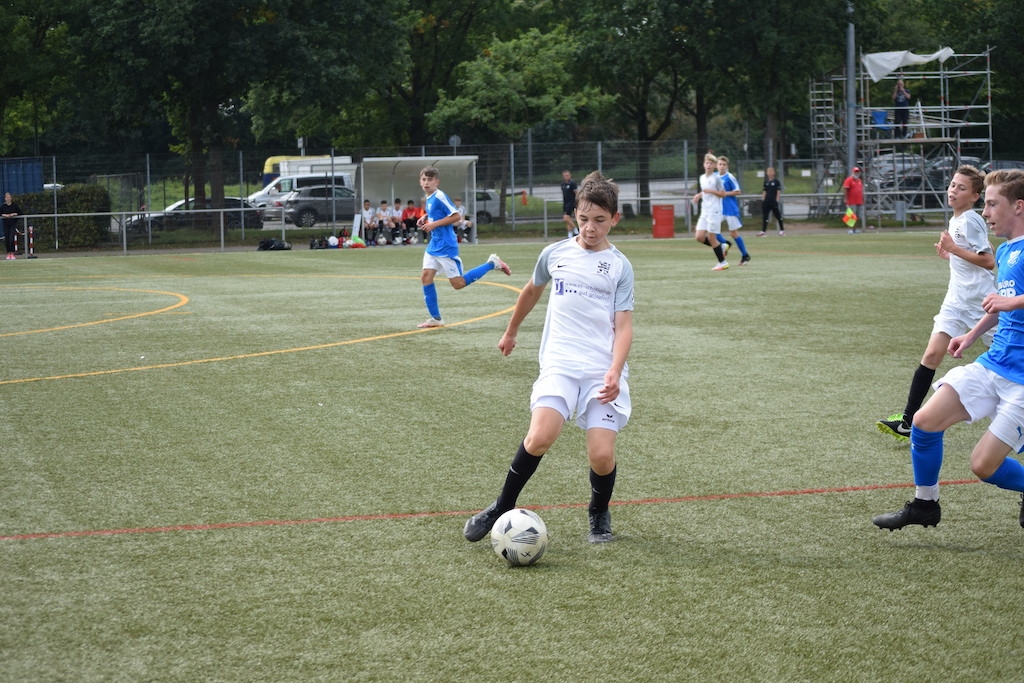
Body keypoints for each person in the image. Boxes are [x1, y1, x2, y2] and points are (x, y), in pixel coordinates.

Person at [462, 170, 635, 544]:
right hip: (560, 363)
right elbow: (530, 291)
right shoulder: (554, 253)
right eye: (584, 219)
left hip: (601, 369)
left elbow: (624, 326)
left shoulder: (620, 266)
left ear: (615, 219)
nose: (590, 228)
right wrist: (511, 330)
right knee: (540, 436)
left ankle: (598, 513)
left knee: (601, 455)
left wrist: (615, 370)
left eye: (600, 220)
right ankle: (501, 506)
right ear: (574, 215)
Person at [872, 169, 1024, 531]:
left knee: (982, 466)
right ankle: (925, 505)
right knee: (924, 423)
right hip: (994, 363)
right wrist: (971, 335)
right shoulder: (1007, 250)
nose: (985, 213)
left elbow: (1009, 302)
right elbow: (1000, 304)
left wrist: (1012, 302)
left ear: (1018, 207)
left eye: (992, 204)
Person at [877, 166, 995, 442]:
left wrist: (954, 249)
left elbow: (989, 260)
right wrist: (952, 255)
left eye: (961, 188)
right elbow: (971, 256)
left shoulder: (970, 220)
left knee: (1011, 356)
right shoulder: (956, 219)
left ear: (975, 196)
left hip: (981, 304)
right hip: (956, 301)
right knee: (931, 355)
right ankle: (908, 421)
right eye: (952, 185)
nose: (953, 191)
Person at [416, 165, 512, 329]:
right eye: (424, 179)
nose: (426, 182)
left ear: (437, 182)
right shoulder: (430, 197)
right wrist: (426, 217)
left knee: (458, 284)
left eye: (430, 180)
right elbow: (439, 214)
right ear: (420, 181)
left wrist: (433, 225)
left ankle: (492, 263)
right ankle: (436, 319)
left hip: (445, 245)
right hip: (434, 244)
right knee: (426, 277)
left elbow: (456, 216)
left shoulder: (439, 196)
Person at [692, 153, 729, 270]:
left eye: (711, 163)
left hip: (714, 211)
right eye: (707, 163)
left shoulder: (716, 179)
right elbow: (705, 191)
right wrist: (699, 195)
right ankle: (721, 246)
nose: (708, 165)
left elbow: (723, 194)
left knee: (711, 237)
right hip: (705, 211)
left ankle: (723, 262)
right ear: (704, 164)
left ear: (714, 166)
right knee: (699, 237)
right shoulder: (702, 178)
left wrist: (712, 191)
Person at [717, 156, 750, 265]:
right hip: (719, 208)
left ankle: (745, 255)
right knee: (711, 229)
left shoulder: (729, 177)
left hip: (730, 209)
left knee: (734, 233)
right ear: (717, 165)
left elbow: (738, 191)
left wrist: (725, 193)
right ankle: (725, 243)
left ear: (727, 166)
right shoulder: (715, 176)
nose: (722, 166)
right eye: (720, 164)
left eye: (724, 165)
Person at [758, 166, 784, 236]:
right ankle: (763, 231)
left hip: (773, 201)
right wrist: (763, 200)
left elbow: (778, 191)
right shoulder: (766, 182)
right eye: (768, 172)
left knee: (778, 216)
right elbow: (764, 191)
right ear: (767, 173)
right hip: (766, 202)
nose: (770, 173)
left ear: (774, 173)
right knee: (765, 217)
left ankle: (782, 230)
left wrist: (777, 200)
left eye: (771, 172)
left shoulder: (776, 182)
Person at [842, 167, 864, 232]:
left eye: (857, 172)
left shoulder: (859, 180)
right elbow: (845, 189)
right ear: (853, 172)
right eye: (855, 172)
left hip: (859, 201)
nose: (856, 173)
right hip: (851, 201)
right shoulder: (849, 180)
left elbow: (860, 190)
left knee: (857, 216)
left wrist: (862, 199)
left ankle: (855, 229)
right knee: (851, 216)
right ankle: (850, 229)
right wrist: (845, 198)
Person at [2, 192, 22, 260]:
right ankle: (8, 253)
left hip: (12, 224)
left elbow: (20, 212)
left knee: (11, 239)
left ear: (11, 198)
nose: (8, 199)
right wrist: (4, 215)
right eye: (7, 197)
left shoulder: (14, 205)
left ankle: (12, 253)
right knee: (7, 239)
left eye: (9, 197)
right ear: (5, 198)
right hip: (6, 225)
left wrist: (14, 214)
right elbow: (1, 213)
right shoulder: (3, 206)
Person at [560, 170, 578, 238]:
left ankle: (576, 231)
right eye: (565, 176)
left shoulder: (572, 183)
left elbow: (576, 193)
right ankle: (570, 236)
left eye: (567, 175)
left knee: (566, 218)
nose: (566, 177)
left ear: (570, 175)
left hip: (571, 202)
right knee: (568, 219)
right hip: (565, 203)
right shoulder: (563, 184)